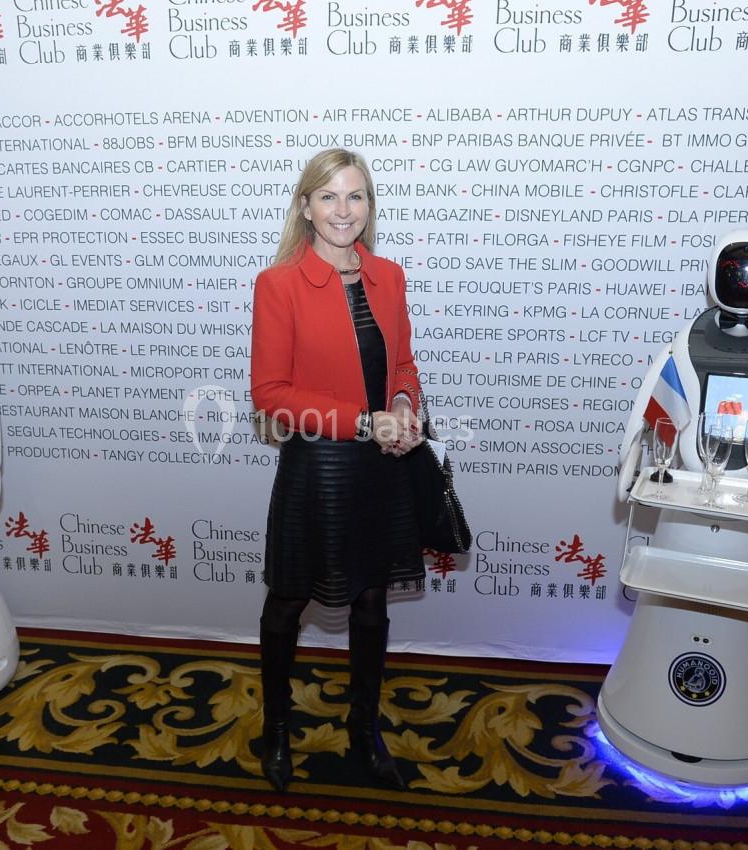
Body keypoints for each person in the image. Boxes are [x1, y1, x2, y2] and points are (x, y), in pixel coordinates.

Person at [250, 149, 426, 792]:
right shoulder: (279, 285)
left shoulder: (390, 276)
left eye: (356, 197)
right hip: (319, 467)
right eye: (328, 197)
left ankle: (363, 728)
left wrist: (403, 404)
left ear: (369, 207)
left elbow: (402, 364)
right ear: (305, 207)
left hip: (381, 466)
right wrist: (360, 421)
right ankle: (274, 731)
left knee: (373, 600)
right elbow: (269, 394)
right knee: (288, 599)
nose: (343, 210)